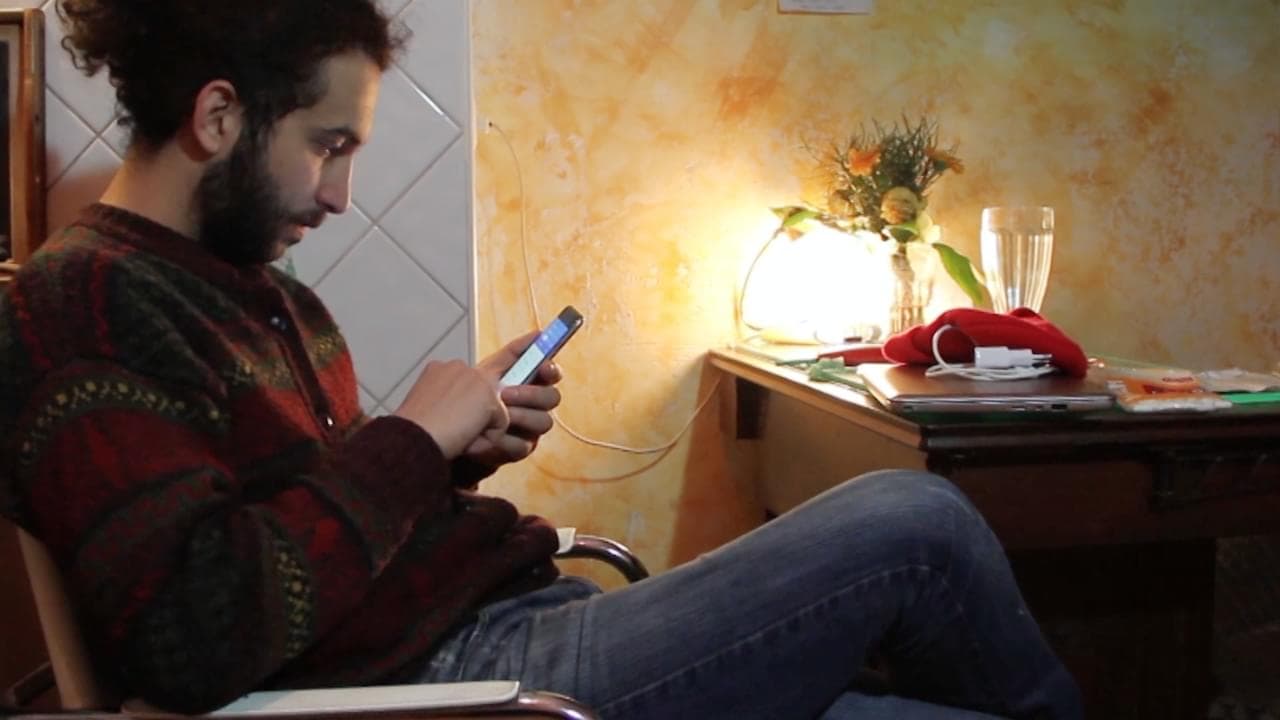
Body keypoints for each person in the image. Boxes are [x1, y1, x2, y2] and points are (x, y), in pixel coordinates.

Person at [0, 2, 1082, 718]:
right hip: (455, 687)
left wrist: (456, 456)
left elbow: (308, 539)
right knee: (915, 522)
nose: (339, 196)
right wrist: (410, 439)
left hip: (513, 627)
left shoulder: (260, 292)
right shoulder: (83, 303)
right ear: (220, 118)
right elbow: (196, 634)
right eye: (328, 147)